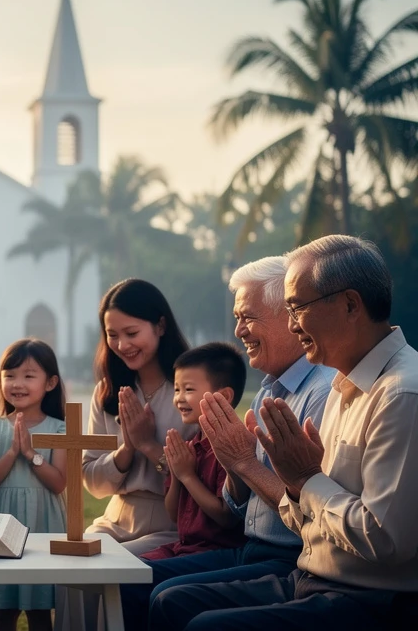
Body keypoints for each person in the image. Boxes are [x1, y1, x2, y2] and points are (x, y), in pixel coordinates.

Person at [153, 235, 418, 630]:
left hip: (368, 597)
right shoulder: (346, 383)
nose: (293, 324)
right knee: (171, 602)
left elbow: (384, 541)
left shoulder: (400, 393)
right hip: (308, 577)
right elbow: (305, 517)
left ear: (349, 305)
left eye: (297, 308)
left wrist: (304, 478)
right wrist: (293, 484)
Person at [125, 256, 334, 630]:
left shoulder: (320, 393)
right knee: (130, 581)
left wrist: (244, 464)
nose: (238, 330)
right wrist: (233, 465)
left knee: (164, 597)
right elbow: (238, 506)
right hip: (248, 547)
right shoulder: (268, 389)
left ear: (289, 315)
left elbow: (314, 514)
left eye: (248, 317)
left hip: (287, 556)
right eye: (237, 318)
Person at [83, 278, 196, 553]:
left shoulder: (190, 392)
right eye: (112, 335)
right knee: (74, 561)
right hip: (115, 517)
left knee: (110, 564)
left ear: (160, 326)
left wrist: (148, 445)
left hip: (172, 521)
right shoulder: (107, 393)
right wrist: (127, 449)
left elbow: (201, 477)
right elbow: (93, 482)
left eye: (131, 333)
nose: (122, 345)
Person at [0, 338, 68, 631]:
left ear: (50, 383)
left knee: (40, 612)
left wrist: (30, 454)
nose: (18, 383)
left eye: (29, 376)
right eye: (10, 375)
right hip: (2, 520)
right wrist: (13, 452)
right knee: (5, 610)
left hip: (43, 520)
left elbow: (59, 483)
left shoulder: (59, 428)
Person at [139, 342, 247, 562]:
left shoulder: (232, 447)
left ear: (224, 396)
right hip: (184, 547)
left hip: (217, 552)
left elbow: (227, 517)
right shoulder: (190, 444)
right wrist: (178, 475)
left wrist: (187, 476)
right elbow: (174, 515)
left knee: (136, 578)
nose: (178, 398)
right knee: (129, 569)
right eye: (177, 389)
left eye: (188, 389)